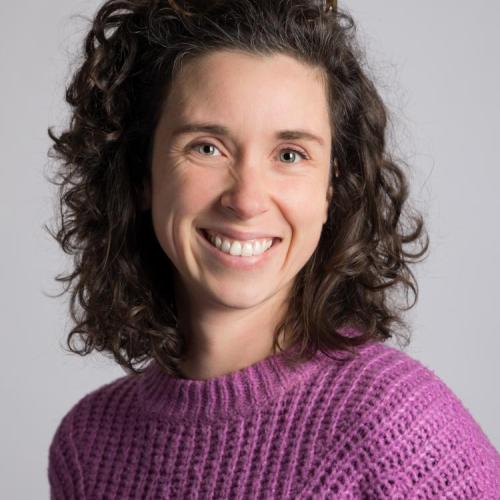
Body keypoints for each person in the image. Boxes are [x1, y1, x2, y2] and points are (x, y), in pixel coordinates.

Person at [46, 0, 500, 498]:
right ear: (142, 176)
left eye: (290, 154)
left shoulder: (397, 429)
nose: (246, 200)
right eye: (207, 147)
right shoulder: (88, 445)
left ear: (332, 188)